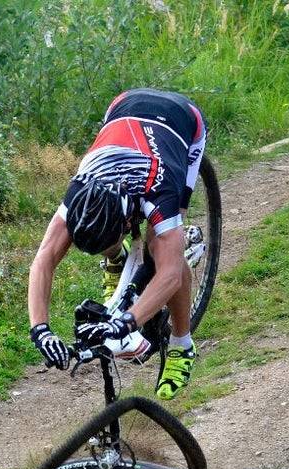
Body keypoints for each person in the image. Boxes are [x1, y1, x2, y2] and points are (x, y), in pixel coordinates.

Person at [27, 88, 206, 400]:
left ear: (126, 223)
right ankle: (115, 259)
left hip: (181, 122)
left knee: (161, 247)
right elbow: (44, 258)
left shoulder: (157, 192)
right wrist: (40, 330)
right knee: (99, 230)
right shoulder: (81, 192)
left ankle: (182, 346)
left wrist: (129, 320)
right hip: (122, 107)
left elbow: (170, 274)